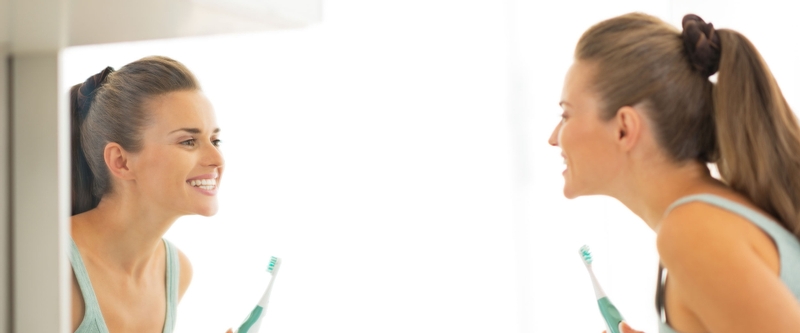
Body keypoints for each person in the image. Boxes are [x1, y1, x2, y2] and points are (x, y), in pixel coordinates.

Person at [548, 13, 800, 333]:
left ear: (624, 129)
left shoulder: (693, 232)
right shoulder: (706, 218)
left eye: (566, 114)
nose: (554, 136)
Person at [70, 56, 224, 332]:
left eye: (215, 140)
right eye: (188, 141)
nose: (216, 158)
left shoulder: (175, 271)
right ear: (121, 161)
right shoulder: (50, 262)